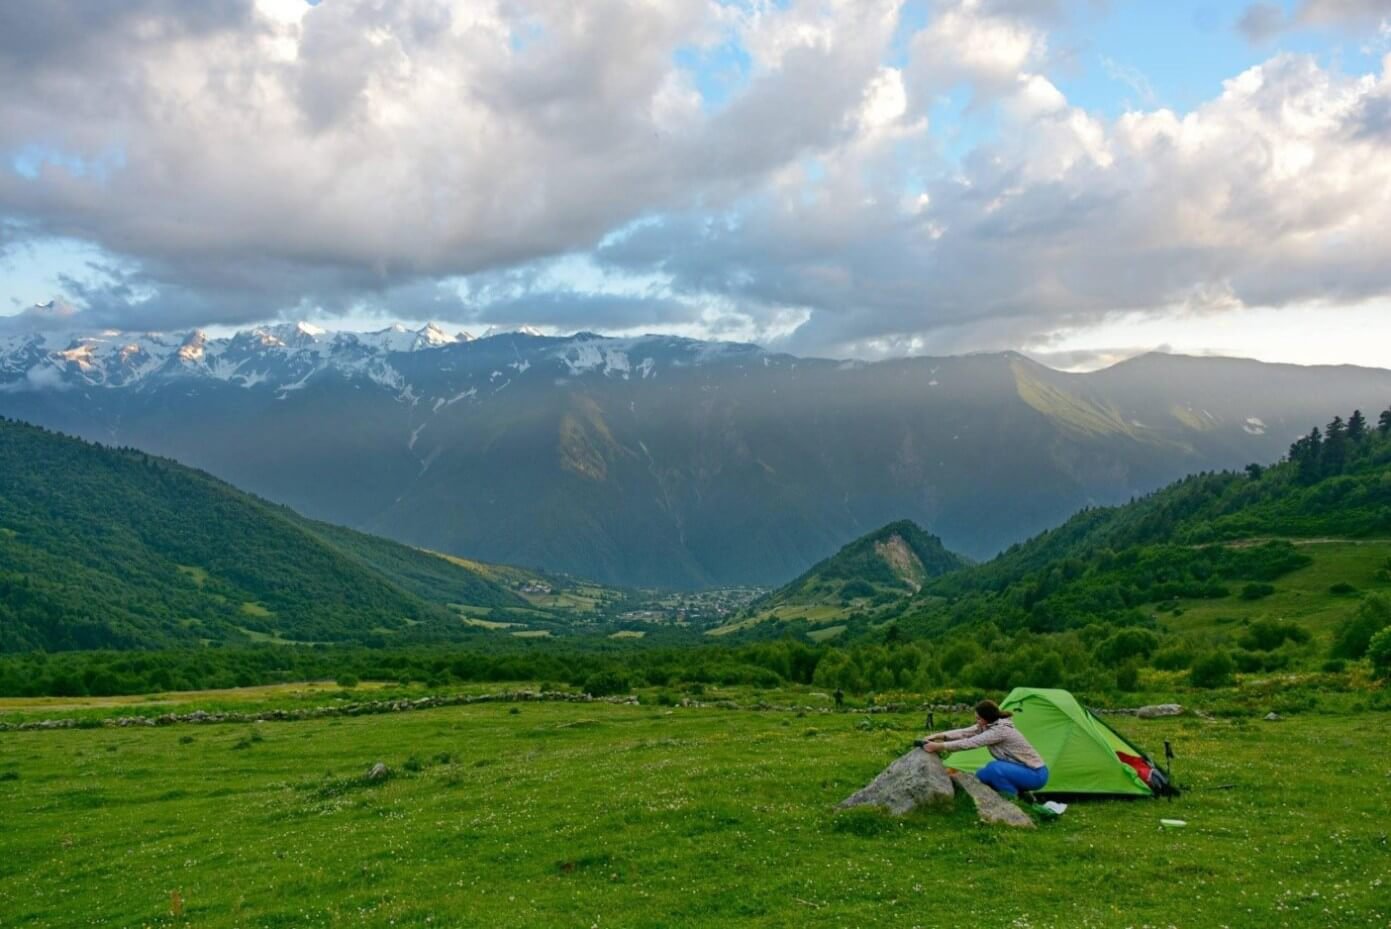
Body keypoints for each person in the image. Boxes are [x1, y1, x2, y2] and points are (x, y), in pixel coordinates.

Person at [922, 699, 1048, 798]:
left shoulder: (1000, 730)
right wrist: (939, 736)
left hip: (1036, 774)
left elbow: (969, 743)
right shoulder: (987, 725)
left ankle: (1011, 797)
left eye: (978, 718)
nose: (976, 721)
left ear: (986, 718)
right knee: (982, 775)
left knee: (994, 768)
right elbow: (964, 733)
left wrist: (938, 747)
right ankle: (1023, 796)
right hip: (1021, 769)